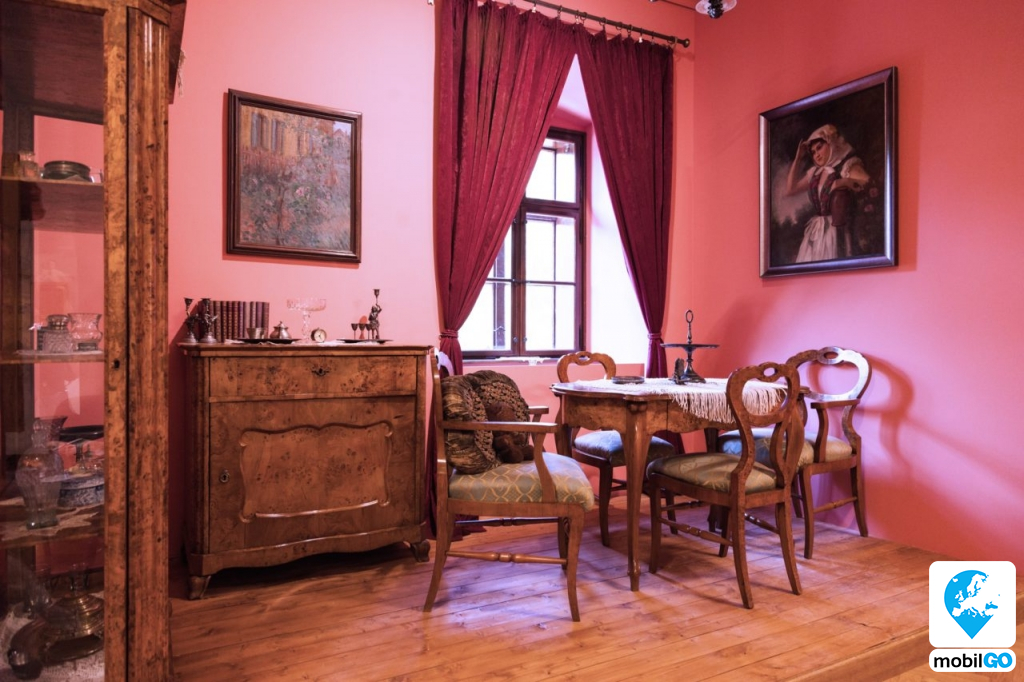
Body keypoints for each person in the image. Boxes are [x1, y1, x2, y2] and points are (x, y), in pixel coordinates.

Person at [785, 123, 871, 263]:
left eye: (819, 148)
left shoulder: (846, 166)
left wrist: (841, 182)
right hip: (818, 232)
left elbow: (868, 183)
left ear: (830, 143)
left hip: (838, 229)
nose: (817, 155)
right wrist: (798, 158)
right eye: (813, 152)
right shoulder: (815, 173)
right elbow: (791, 189)